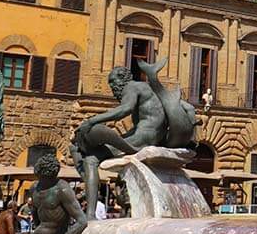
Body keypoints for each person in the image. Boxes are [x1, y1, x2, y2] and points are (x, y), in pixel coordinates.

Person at [71, 58, 197, 217]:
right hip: (153, 136)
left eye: (112, 82)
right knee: (89, 153)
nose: (112, 88)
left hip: (143, 137)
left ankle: (89, 215)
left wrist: (92, 120)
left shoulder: (131, 87)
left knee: (90, 157)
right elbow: (188, 107)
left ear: (122, 79)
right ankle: (89, 193)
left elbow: (125, 109)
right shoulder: (147, 88)